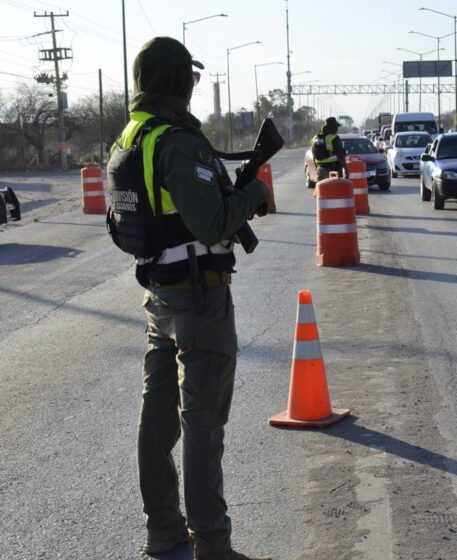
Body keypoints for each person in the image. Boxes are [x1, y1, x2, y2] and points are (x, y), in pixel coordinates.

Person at [107, 37, 273, 560]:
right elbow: (212, 222)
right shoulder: (179, 141)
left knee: (156, 421)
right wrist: (254, 194)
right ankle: (213, 544)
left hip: (160, 295)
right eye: (192, 80)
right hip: (199, 300)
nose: (194, 88)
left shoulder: (131, 135)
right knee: (202, 422)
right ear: (179, 81)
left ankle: (163, 530)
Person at [311, 116, 347, 181]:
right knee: (336, 190)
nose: (337, 129)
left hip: (320, 169)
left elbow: (314, 156)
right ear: (332, 128)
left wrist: (317, 168)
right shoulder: (334, 138)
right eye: (336, 127)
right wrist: (346, 170)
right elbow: (340, 155)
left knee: (323, 190)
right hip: (333, 169)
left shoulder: (316, 138)